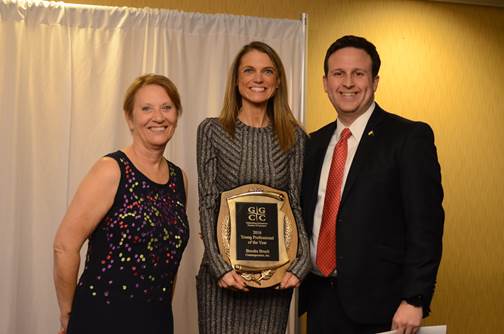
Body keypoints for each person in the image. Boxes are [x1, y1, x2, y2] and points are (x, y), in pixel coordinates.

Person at [300, 35, 444, 334]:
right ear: (325, 82)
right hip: (318, 300)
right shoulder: (311, 144)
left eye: (359, 73)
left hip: (383, 307)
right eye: (339, 73)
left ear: (375, 81)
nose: (348, 82)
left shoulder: (408, 137)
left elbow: (425, 224)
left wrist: (414, 299)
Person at [53, 74, 189, 334]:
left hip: (157, 321)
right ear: (130, 118)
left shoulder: (179, 179)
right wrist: (68, 313)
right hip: (101, 319)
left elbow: (169, 260)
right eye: (146, 108)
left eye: (167, 107)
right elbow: (64, 246)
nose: (158, 117)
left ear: (176, 114)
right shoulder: (112, 170)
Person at [196, 41, 310, 334]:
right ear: (236, 80)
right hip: (223, 279)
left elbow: (296, 204)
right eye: (249, 70)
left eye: (267, 71)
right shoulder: (212, 130)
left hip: (276, 280)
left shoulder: (294, 136)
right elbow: (207, 202)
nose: (258, 79)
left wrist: (301, 264)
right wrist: (218, 267)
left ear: (278, 80)